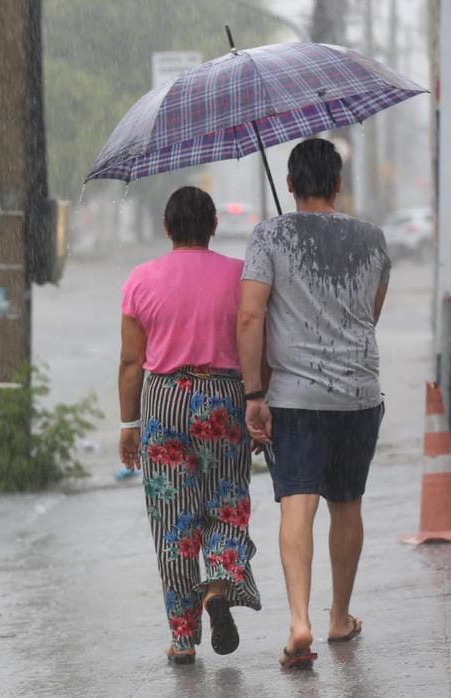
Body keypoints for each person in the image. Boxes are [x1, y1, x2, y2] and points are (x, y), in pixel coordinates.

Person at [236, 138, 390, 670]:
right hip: (357, 394)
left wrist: (254, 393)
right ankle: (339, 616)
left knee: (296, 506)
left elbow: (251, 317)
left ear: (292, 185)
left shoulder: (269, 236)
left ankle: (299, 620)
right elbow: (370, 314)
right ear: (338, 184)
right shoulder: (372, 239)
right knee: (347, 503)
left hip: (294, 399)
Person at [119, 186, 260, 665]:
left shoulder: (141, 280)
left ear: (166, 227)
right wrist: (260, 403)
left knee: (174, 522)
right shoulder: (240, 276)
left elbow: (130, 362)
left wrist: (128, 424)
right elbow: (255, 343)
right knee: (227, 503)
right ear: (214, 226)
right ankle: (217, 587)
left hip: (163, 401)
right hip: (224, 396)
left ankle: (183, 637)